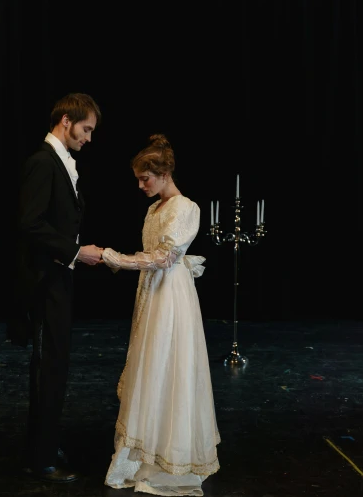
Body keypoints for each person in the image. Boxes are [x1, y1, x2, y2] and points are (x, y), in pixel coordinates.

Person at [101, 134, 220, 496]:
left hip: (171, 295)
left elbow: (165, 257)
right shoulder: (154, 209)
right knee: (150, 365)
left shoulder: (186, 207)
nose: (141, 186)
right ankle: (144, 452)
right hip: (153, 293)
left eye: (145, 179)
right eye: (138, 179)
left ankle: (172, 456)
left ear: (164, 173)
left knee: (168, 365)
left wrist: (115, 258)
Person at [7, 92, 105, 483]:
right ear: (66, 121)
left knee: (56, 365)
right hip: (46, 280)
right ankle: (42, 458)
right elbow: (30, 224)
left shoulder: (59, 163)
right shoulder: (42, 163)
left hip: (58, 276)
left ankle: (43, 445)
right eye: (86, 129)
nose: (89, 138)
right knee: (50, 368)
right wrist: (78, 252)